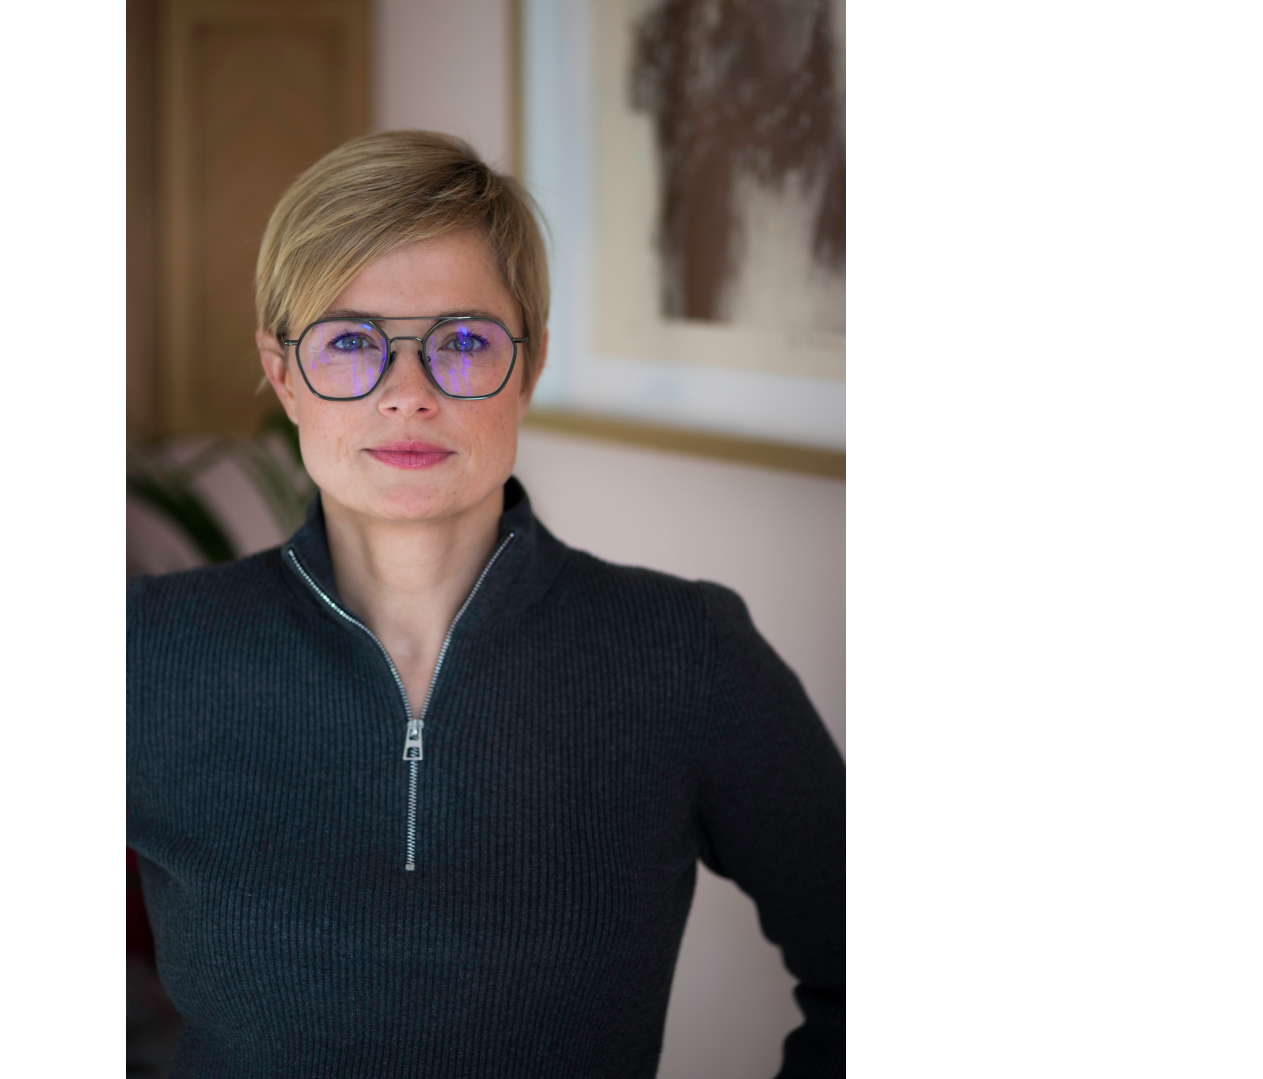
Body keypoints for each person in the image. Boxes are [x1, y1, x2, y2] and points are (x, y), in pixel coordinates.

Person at [127, 130, 844, 1077]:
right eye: (351, 342)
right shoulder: (146, 652)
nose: (408, 395)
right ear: (284, 372)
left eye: (464, 342)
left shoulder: (688, 654)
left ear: (532, 365)